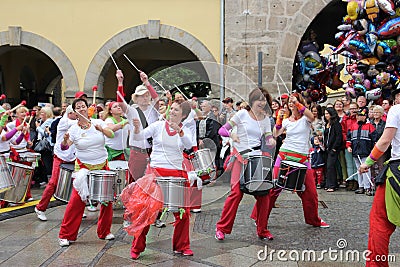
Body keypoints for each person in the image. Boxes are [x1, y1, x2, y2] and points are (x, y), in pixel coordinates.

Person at [129, 100, 194, 259]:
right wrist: (137, 128)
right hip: (156, 173)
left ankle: (182, 246)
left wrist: (180, 132)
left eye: (176, 110)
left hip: (176, 174)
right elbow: (140, 137)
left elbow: (189, 145)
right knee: (146, 212)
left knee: (182, 214)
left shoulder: (186, 130)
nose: (171, 112)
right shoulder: (158, 126)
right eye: (171, 109)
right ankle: (137, 247)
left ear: (183, 115)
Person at [263, 93, 329, 237]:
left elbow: (312, 116)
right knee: (272, 190)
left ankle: (314, 220)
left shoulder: (306, 118)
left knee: (311, 193)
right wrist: (279, 118)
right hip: (284, 156)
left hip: (302, 159)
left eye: (295, 102)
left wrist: (298, 104)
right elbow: (275, 133)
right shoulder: (287, 120)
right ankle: (260, 218)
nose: (291, 104)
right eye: (290, 102)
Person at [215, 87, 275, 241]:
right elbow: (222, 130)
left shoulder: (266, 119)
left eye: (264, 100)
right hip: (240, 158)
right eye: (259, 99)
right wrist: (232, 134)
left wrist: (271, 140)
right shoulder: (242, 114)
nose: (261, 103)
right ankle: (221, 228)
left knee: (264, 195)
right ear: (252, 101)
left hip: (257, 158)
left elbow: (268, 137)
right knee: (236, 193)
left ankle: (262, 230)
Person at [58, 98, 115, 247]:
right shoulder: (73, 130)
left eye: (84, 106)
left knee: (106, 200)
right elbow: (65, 147)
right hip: (83, 168)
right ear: (75, 113)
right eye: (78, 108)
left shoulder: (99, 123)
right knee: (76, 202)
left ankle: (104, 231)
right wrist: (64, 141)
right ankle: (65, 235)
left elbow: (112, 134)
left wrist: (101, 129)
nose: (82, 109)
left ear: (88, 108)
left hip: (102, 165)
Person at [359, 88, 400, 267]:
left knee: (380, 222)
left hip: (397, 171)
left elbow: (385, 140)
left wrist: (367, 162)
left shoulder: (396, 110)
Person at [116, 69, 159, 183]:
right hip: (137, 152)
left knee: (152, 183)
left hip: (152, 151)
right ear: (136, 98)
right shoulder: (132, 110)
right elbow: (120, 102)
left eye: (146, 95)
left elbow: (157, 99)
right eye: (141, 96)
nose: (145, 98)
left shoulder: (154, 109)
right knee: (134, 181)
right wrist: (120, 83)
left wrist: (147, 82)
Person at [35, 105, 77, 221]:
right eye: (76, 112)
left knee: (77, 184)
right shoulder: (63, 121)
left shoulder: (78, 122)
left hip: (74, 157)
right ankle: (40, 208)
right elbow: (77, 125)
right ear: (70, 113)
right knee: (53, 183)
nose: (78, 114)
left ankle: (76, 209)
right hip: (60, 156)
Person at [346, 107, 376, 196]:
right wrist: (348, 146)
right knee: (359, 169)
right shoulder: (353, 127)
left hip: (366, 151)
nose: (359, 117)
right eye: (358, 115)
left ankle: (367, 187)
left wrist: (372, 149)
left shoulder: (370, 126)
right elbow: (349, 138)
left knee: (366, 169)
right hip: (356, 151)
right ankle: (361, 186)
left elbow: (374, 138)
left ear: (365, 117)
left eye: (361, 116)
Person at [323, 107, 343, 192]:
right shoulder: (326, 124)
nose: (326, 115)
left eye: (327, 113)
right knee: (327, 167)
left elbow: (339, 137)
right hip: (326, 148)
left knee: (331, 166)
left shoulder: (336, 124)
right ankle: (329, 183)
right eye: (325, 114)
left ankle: (332, 185)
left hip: (333, 148)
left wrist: (334, 148)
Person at [35, 106, 55, 186]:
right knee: (44, 163)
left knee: (47, 163)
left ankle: (50, 181)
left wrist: (38, 127)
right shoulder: (43, 121)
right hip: (44, 145)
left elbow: (46, 134)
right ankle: (46, 179)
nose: (40, 114)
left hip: (47, 146)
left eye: (42, 112)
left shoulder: (49, 121)